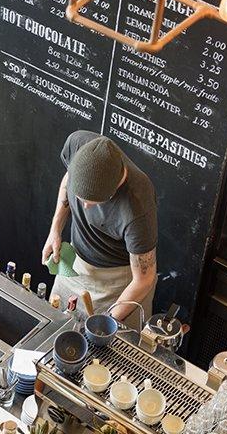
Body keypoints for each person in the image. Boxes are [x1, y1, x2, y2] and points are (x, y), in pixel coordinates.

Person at [43, 130, 158, 329]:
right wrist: (56, 228)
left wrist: (108, 320)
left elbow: (145, 279)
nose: (85, 207)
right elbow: (68, 178)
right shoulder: (78, 144)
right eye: (81, 199)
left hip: (117, 284)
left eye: (93, 203)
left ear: (114, 191)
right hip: (75, 265)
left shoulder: (137, 207)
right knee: (56, 329)